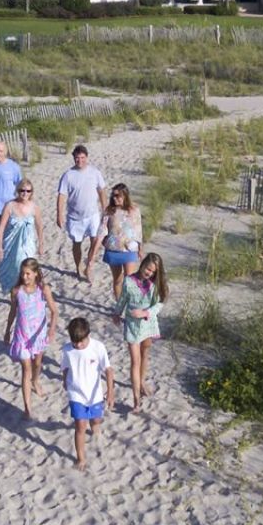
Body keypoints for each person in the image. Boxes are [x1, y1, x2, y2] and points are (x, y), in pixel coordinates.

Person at [3, 257, 58, 420]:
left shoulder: (44, 289)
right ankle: (27, 407)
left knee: (37, 364)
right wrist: (7, 331)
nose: (25, 277)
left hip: (38, 335)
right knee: (26, 368)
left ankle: (36, 381)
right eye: (22, 274)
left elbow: (55, 312)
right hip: (22, 335)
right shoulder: (16, 291)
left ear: (35, 274)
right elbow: (13, 311)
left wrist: (51, 330)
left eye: (28, 274)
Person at [60, 316, 114, 471]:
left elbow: (109, 371)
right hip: (76, 394)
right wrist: (65, 382)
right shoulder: (67, 350)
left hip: (95, 394)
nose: (77, 344)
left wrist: (110, 392)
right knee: (80, 426)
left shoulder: (98, 347)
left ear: (88, 335)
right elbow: (65, 368)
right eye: (74, 341)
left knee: (96, 420)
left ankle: (96, 427)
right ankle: (81, 458)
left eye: (81, 341)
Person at [117, 253, 166, 412]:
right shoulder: (129, 281)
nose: (149, 273)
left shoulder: (155, 284)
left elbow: (159, 304)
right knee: (134, 361)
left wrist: (146, 313)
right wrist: (117, 313)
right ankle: (136, 400)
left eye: (153, 272)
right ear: (143, 263)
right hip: (132, 326)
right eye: (148, 268)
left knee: (145, 354)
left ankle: (142, 382)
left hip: (148, 324)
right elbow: (122, 299)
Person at [55, 144, 106, 283]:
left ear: (87, 157)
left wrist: (105, 209)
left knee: (95, 241)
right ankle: (79, 266)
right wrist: (59, 215)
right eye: (77, 158)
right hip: (75, 217)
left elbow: (101, 191)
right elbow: (62, 196)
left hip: (93, 214)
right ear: (74, 158)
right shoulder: (68, 175)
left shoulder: (95, 172)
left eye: (82, 158)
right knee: (77, 243)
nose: (80, 161)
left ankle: (89, 265)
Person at [100, 183, 143, 300]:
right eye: (113, 196)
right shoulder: (109, 210)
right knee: (117, 280)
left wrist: (140, 249)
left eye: (118, 196)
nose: (115, 198)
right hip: (113, 250)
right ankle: (119, 304)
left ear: (125, 196)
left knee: (130, 280)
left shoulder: (134, 210)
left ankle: (130, 304)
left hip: (129, 249)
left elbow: (138, 230)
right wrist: (98, 246)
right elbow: (102, 230)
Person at [0, 180, 40, 293]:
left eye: (28, 191)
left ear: (31, 192)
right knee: (14, 270)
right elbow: (1, 227)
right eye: (22, 190)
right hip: (11, 244)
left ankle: (26, 293)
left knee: (28, 268)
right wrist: (0, 247)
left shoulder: (34, 207)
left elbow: (39, 225)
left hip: (28, 244)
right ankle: (15, 295)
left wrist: (41, 242)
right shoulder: (10, 206)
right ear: (18, 191)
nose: (25, 193)